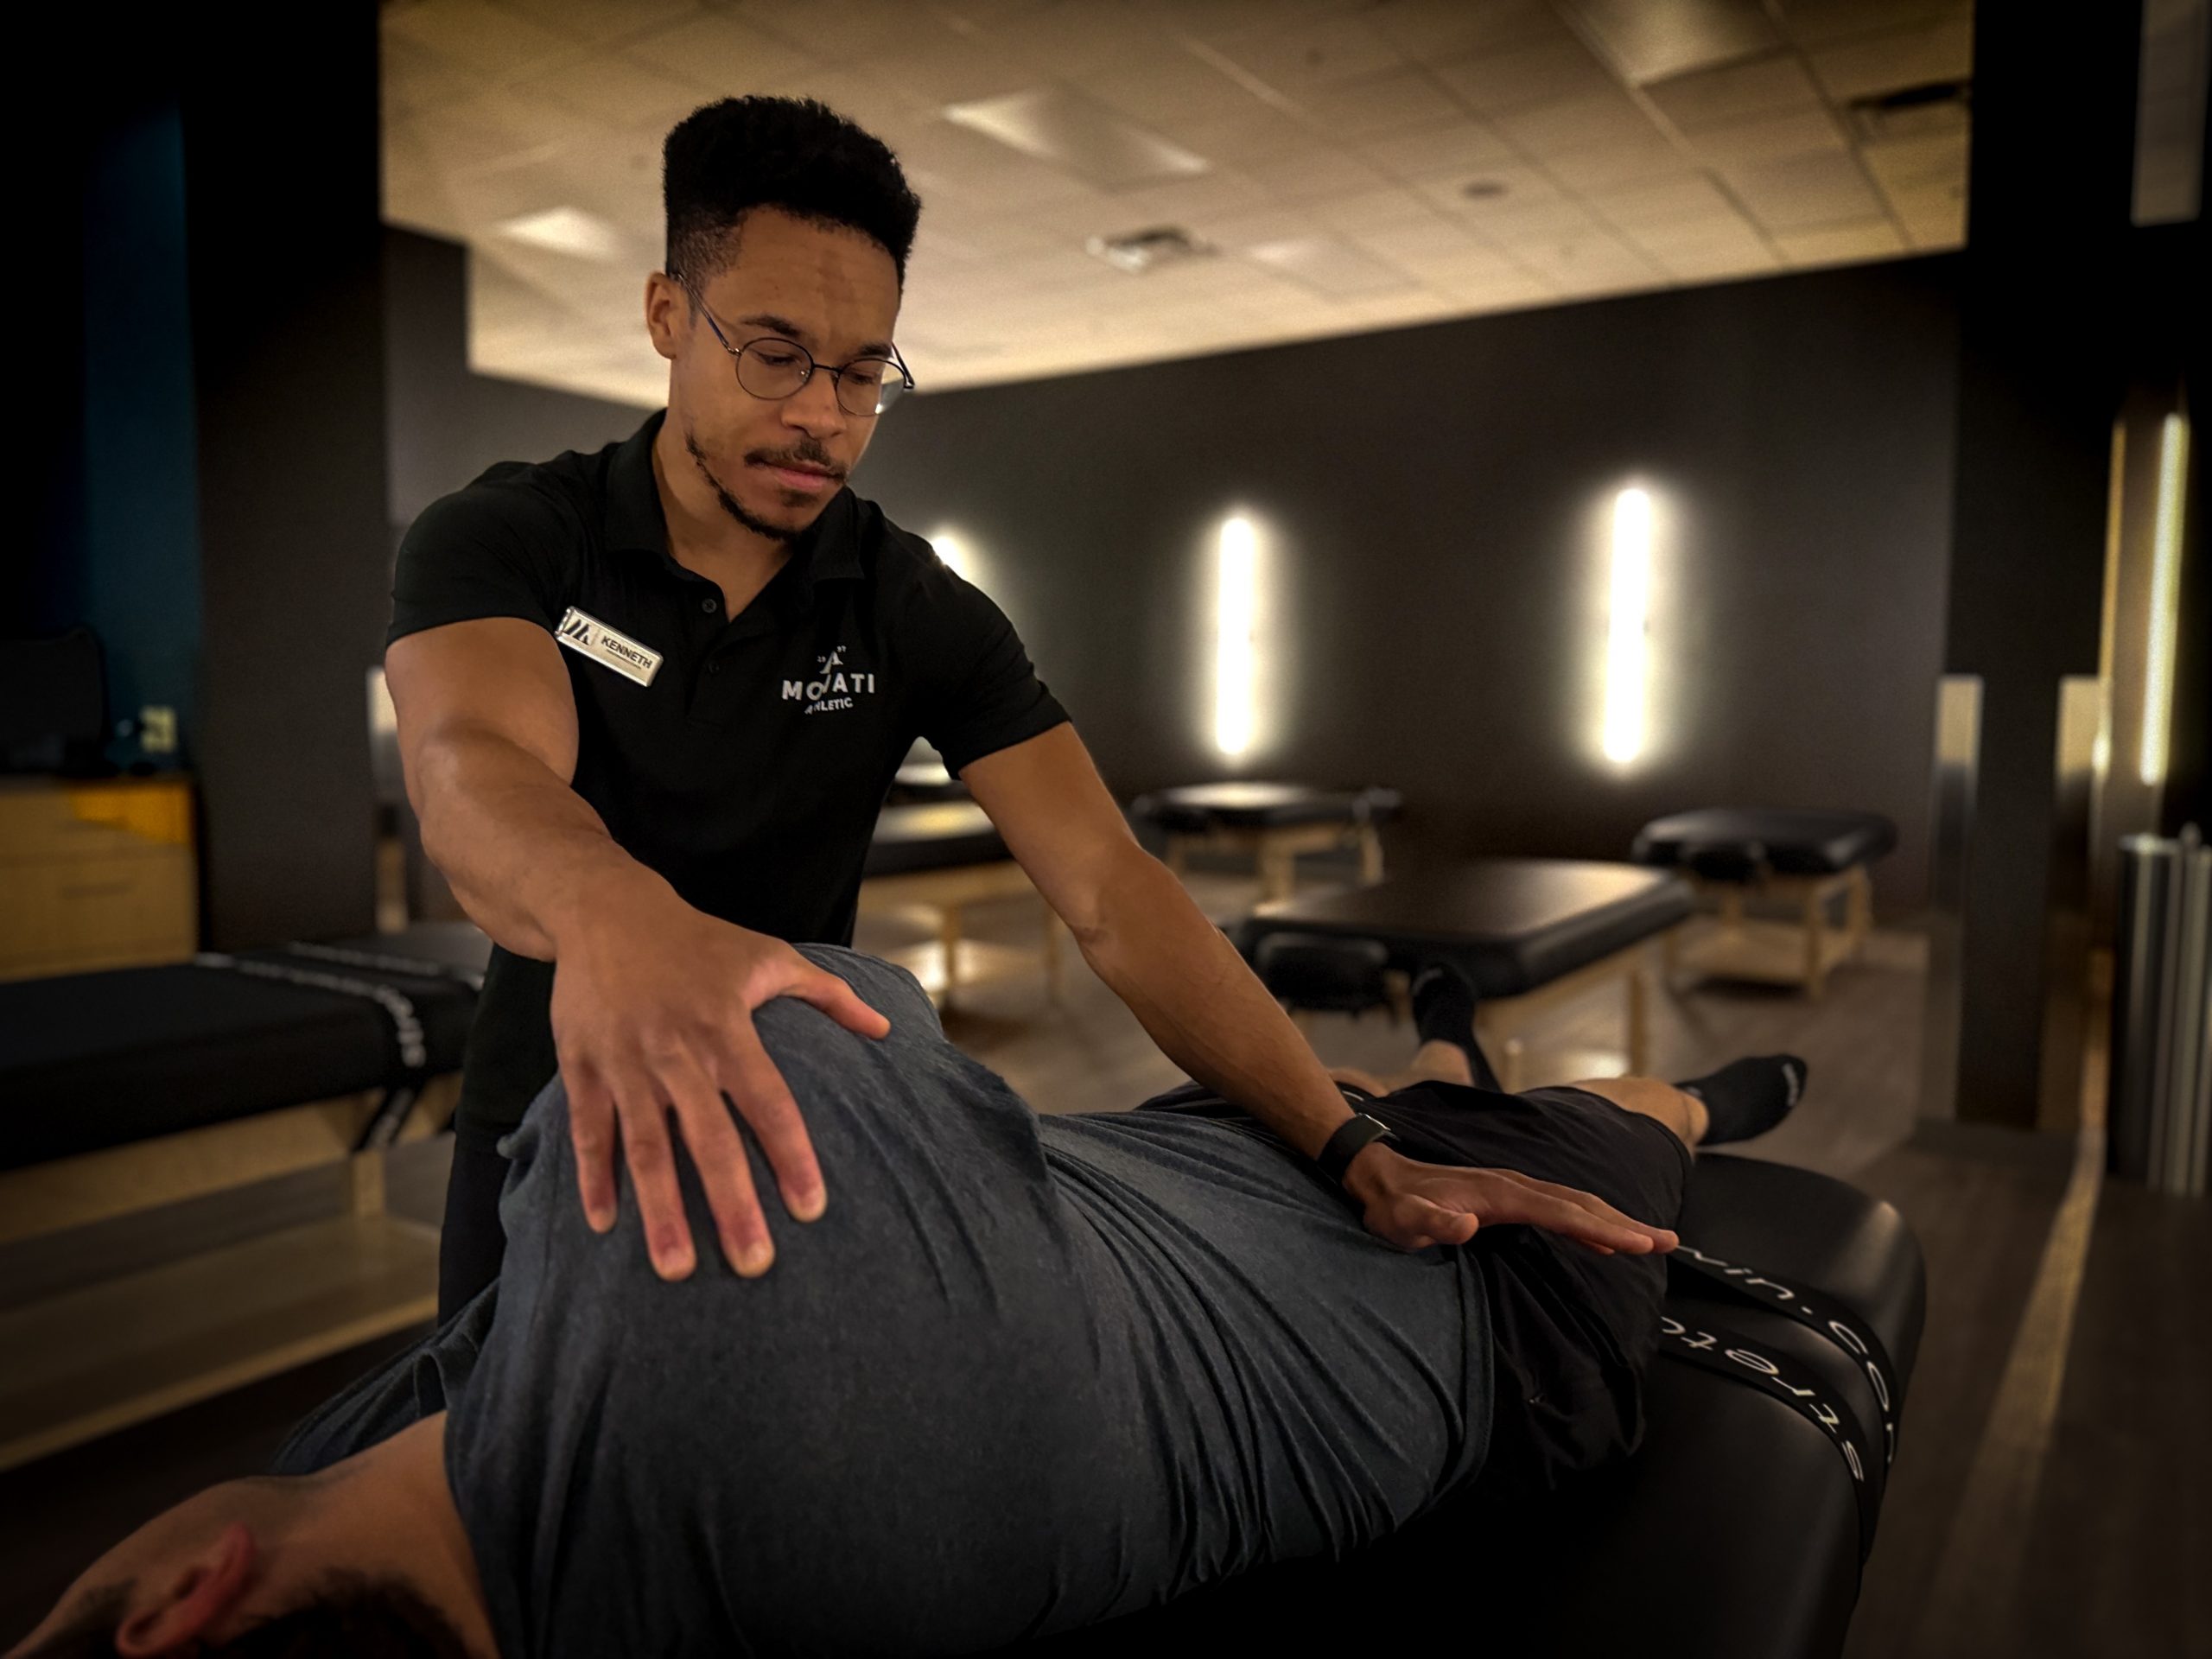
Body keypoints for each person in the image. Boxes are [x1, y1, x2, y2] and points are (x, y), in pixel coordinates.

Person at [386, 92, 1526, 1321]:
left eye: (862, 371)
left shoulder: (909, 602)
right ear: (667, 314)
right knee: (489, 1441)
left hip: (805, 1128)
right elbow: (474, 765)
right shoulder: (510, 537)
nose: (822, 414)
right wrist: (622, 915)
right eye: (773, 353)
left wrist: (1348, 1145)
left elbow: (1112, 889)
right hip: (546, 1124)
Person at [6, 952, 1814, 1659]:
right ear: (177, 1600)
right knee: (1607, 1125)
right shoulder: (705, 1217)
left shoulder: (396, 1492)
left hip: (1154, 1185)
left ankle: (1444, 1038)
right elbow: (822, 1000)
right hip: (1473, 1317)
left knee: (1364, 1093)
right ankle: (1706, 1098)